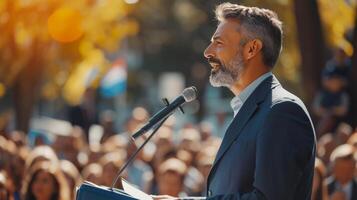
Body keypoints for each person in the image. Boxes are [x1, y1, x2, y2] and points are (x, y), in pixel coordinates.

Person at [154, 2, 316, 200]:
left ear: (252, 49)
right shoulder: (255, 108)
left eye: (219, 43)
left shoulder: (281, 112)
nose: (207, 52)